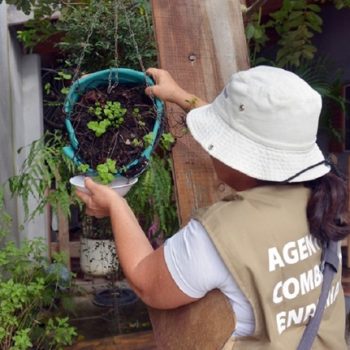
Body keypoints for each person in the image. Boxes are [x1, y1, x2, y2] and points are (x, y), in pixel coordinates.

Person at [76, 65, 350, 349]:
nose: (211, 145)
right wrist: (180, 96)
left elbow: (147, 281)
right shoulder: (322, 200)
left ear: (239, 156)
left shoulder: (220, 234)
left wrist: (116, 205)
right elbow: (256, 139)